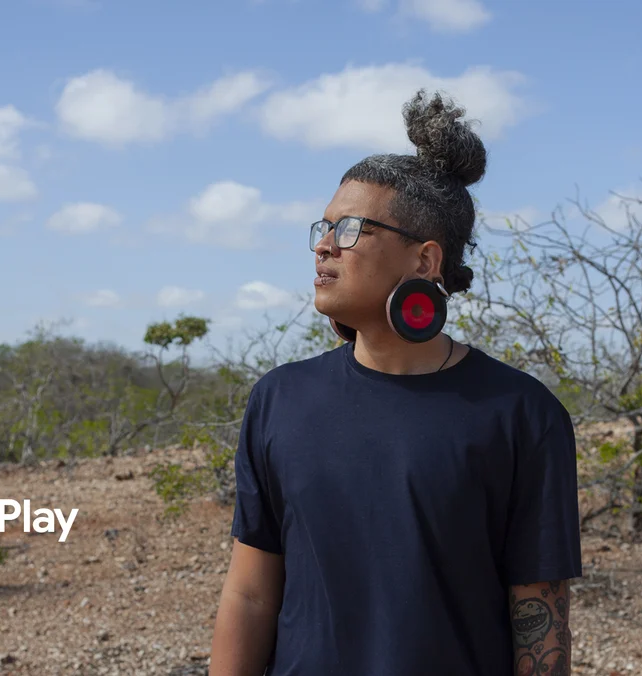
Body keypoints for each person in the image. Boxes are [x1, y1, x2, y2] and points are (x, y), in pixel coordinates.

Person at [208, 89, 582, 676]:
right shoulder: (280, 401)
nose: (325, 245)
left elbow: (538, 618)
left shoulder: (521, 415)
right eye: (322, 228)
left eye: (352, 228)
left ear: (424, 261)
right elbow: (251, 594)